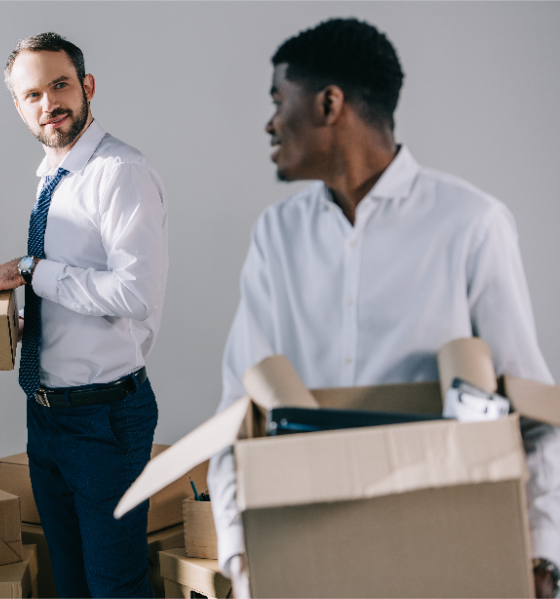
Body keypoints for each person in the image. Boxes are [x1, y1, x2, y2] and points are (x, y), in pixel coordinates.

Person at [206, 18, 560, 599]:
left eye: (278, 99)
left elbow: (533, 412)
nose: (270, 122)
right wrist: (241, 557)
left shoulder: (470, 224)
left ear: (328, 103)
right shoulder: (277, 236)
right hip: (309, 552)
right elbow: (236, 415)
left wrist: (543, 557)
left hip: (446, 545)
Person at [0, 32, 168, 598]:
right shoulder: (54, 174)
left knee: (114, 588)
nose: (49, 103)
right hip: (46, 417)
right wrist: (19, 324)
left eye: (60, 84)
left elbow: (134, 294)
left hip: (105, 421)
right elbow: (75, 289)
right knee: (68, 584)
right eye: (32, 95)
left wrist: (28, 271)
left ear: (87, 86)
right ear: (19, 108)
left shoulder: (120, 172)